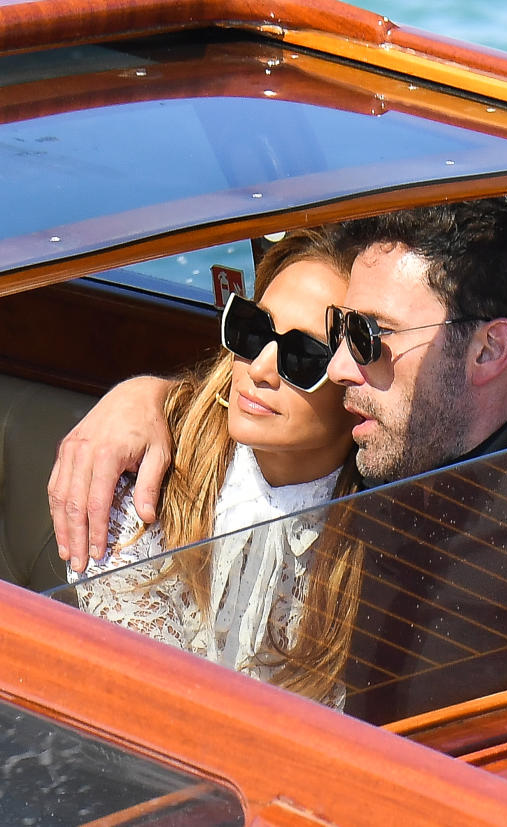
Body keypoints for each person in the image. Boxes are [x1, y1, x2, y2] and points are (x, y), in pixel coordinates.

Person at [49, 198, 507, 714]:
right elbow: (262, 409)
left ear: (488, 348)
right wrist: (146, 395)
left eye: (370, 337)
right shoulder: (379, 453)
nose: (340, 369)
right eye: (339, 339)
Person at [66, 226, 363, 707]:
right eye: (253, 328)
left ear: (357, 383)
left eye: (302, 355)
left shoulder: (389, 521)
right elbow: (142, 702)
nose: (260, 368)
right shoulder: (149, 473)